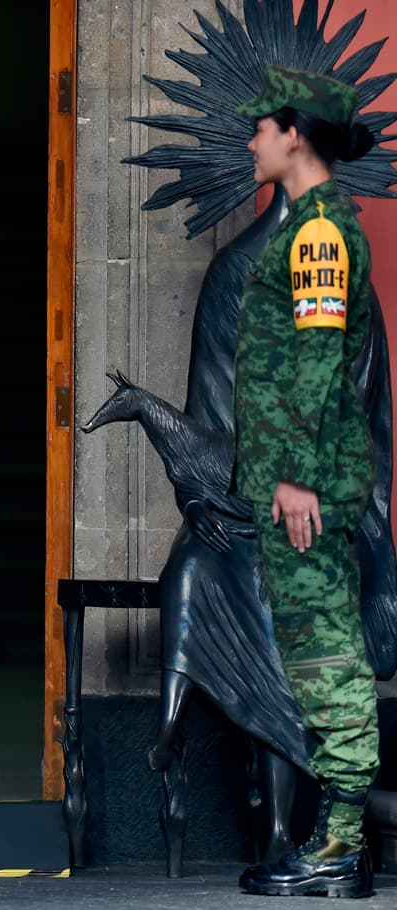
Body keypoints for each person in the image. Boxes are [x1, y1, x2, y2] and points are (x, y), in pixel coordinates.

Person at [232, 64, 381, 899]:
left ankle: (339, 845)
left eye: (260, 126)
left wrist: (293, 477)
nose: (250, 140)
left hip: (309, 484)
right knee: (313, 644)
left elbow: (320, 362)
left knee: (327, 650)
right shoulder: (306, 225)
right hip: (300, 478)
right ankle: (338, 838)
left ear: (295, 134)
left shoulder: (319, 233)